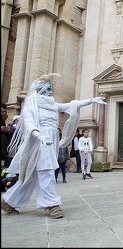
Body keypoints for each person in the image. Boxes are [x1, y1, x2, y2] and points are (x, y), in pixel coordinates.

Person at [1, 73, 107, 218]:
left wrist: (92, 100)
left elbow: (70, 105)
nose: (51, 91)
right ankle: (51, 205)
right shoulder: (30, 106)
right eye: (48, 88)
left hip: (51, 142)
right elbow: (29, 124)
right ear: (39, 89)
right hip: (39, 142)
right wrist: (39, 136)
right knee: (46, 171)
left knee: (32, 176)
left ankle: (8, 202)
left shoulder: (52, 105)